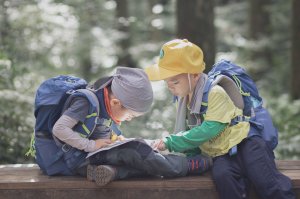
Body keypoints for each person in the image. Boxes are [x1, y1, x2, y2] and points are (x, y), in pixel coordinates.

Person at [145, 39, 295, 199]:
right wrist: (191, 160)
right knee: (223, 177)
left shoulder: (215, 92)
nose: (170, 86)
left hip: (246, 142)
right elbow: (190, 131)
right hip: (220, 153)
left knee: (265, 180)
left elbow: (210, 128)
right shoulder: (182, 100)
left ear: (194, 76)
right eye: (166, 82)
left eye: (175, 81)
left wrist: (170, 142)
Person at [34, 66, 212, 186]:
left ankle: (111, 172)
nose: (130, 119)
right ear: (116, 102)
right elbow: (59, 129)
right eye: (131, 115)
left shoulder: (103, 102)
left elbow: (96, 130)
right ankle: (189, 165)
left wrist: (113, 140)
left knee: (139, 157)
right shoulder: (85, 102)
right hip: (73, 159)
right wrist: (91, 145)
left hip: (86, 160)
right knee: (136, 152)